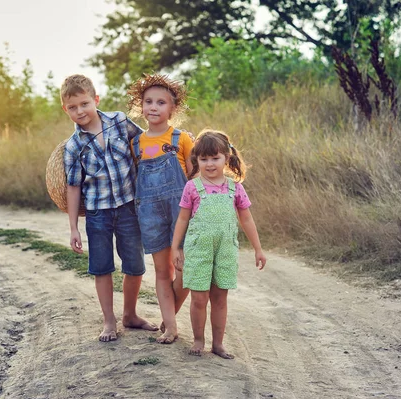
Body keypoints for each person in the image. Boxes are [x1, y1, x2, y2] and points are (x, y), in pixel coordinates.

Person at [62, 74, 158, 342]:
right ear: (65, 109)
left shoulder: (118, 121)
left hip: (129, 207)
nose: (79, 111)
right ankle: (109, 321)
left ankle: (130, 314)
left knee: (135, 264)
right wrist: (73, 228)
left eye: (84, 104)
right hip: (98, 213)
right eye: (72, 107)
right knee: (101, 267)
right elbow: (73, 187)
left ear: (96, 100)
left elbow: (145, 145)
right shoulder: (73, 146)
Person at [171, 129, 267, 359]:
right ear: (197, 160)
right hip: (198, 250)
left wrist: (258, 248)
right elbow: (183, 218)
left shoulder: (235, 188)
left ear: (227, 157)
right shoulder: (193, 187)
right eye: (204, 159)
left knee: (220, 298)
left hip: (225, 250)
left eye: (215, 158)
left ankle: (218, 344)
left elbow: (246, 218)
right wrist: (176, 247)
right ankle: (198, 339)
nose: (210, 164)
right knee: (199, 298)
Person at [126, 74, 194, 344]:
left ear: (172, 109)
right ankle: (172, 327)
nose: (153, 107)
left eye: (161, 102)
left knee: (187, 271)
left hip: (181, 212)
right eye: (148, 102)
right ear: (140, 106)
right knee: (163, 272)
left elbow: (193, 180)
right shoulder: (136, 144)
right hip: (151, 214)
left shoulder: (182, 140)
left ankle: (168, 318)